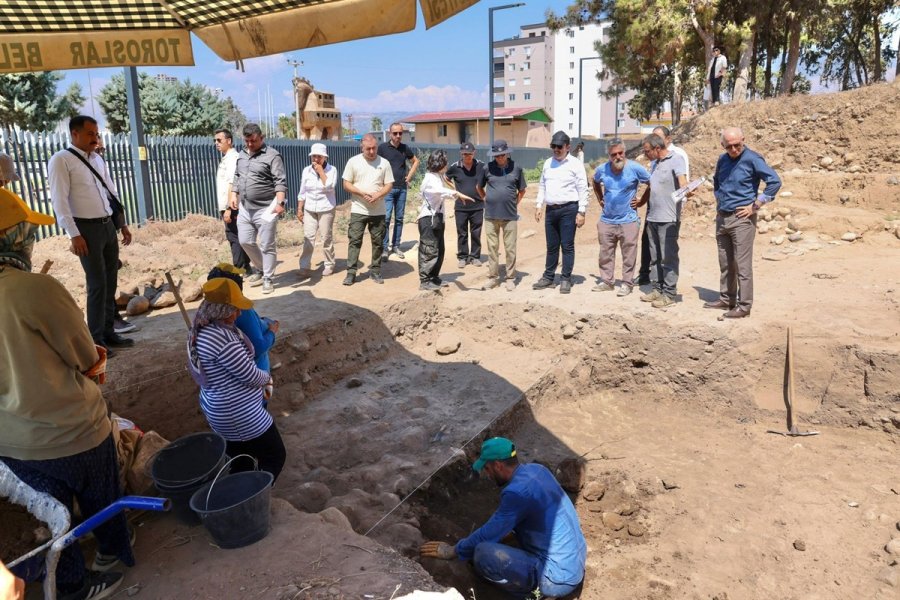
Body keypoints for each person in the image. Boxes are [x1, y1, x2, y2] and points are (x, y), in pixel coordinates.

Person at [0, 188, 132, 600]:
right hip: (74, 432)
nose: (31, 240)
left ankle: (70, 586)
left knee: (52, 524)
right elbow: (83, 355)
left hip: (13, 444)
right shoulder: (34, 289)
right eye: (26, 231)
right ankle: (112, 557)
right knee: (99, 498)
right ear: (12, 237)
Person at [420, 437, 587, 598]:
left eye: (487, 468)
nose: (487, 474)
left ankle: (531, 595)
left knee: (483, 553)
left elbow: (488, 534)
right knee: (498, 536)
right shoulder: (538, 470)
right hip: (575, 560)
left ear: (498, 465)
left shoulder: (517, 493)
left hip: (557, 578)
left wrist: (453, 550)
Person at [49, 115, 134, 353]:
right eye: (90, 134)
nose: (95, 139)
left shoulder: (97, 159)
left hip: (107, 226)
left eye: (96, 134)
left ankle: (109, 332)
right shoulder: (61, 160)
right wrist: (73, 234)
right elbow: (59, 201)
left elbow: (111, 193)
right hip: (85, 230)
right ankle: (96, 342)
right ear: (74, 134)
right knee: (97, 284)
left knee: (110, 281)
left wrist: (121, 224)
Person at [188, 278, 286, 480]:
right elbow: (251, 376)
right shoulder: (223, 340)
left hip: (220, 409)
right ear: (221, 310)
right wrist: (267, 377)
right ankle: (256, 494)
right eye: (234, 309)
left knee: (242, 461)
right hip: (239, 414)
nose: (239, 314)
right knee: (275, 455)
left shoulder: (200, 330)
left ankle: (242, 496)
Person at [705, 127, 781, 318]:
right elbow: (717, 181)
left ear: (743, 141)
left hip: (742, 219)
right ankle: (726, 298)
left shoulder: (753, 159)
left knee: (742, 264)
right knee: (725, 262)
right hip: (722, 217)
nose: (733, 149)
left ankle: (744, 305)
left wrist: (756, 205)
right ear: (723, 145)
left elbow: (775, 182)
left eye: (737, 145)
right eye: (729, 146)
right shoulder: (722, 160)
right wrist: (719, 199)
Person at [230, 123, 287, 295]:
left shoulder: (272, 156)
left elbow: (280, 181)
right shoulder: (241, 154)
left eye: (253, 141)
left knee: (267, 244)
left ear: (261, 138)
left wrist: (280, 203)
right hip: (245, 207)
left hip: (266, 208)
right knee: (245, 241)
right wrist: (234, 194)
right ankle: (262, 269)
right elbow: (237, 175)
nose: (249, 144)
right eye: (246, 141)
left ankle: (268, 278)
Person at [591, 139, 650, 297]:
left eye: (620, 153)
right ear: (609, 156)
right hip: (607, 220)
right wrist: (600, 199)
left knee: (629, 255)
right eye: (613, 154)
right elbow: (595, 181)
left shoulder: (635, 168)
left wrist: (642, 201)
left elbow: (652, 182)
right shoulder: (602, 169)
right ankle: (607, 281)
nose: (618, 157)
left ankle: (627, 283)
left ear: (624, 152)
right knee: (605, 253)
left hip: (628, 220)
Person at [533, 131, 589, 294]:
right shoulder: (547, 163)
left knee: (567, 245)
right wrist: (539, 205)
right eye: (553, 146)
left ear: (567, 147)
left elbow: (582, 188)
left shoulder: (575, 164)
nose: (556, 149)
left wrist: (582, 212)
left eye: (559, 146)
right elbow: (542, 185)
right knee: (551, 246)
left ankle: (565, 278)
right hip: (551, 210)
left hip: (569, 210)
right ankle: (548, 277)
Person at [637, 133, 688, 309]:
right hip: (653, 217)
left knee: (668, 258)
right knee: (654, 257)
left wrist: (687, 189)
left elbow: (683, 182)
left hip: (669, 219)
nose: (645, 155)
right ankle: (657, 289)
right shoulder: (654, 164)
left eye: (647, 151)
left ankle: (669, 293)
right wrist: (641, 202)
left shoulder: (677, 159)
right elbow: (652, 187)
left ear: (657, 148)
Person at [341, 134, 394, 286]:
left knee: (378, 242)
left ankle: (375, 271)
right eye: (368, 149)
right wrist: (362, 193)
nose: (371, 151)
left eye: (374, 148)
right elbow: (346, 184)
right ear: (362, 148)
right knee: (355, 241)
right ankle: (351, 273)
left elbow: (389, 184)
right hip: (359, 209)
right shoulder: (353, 162)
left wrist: (378, 194)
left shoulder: (384, 163)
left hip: (378, 211)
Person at [417, 150, 473, 291]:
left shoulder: (438, 176)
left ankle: (434, 277)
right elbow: (441, 191)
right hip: (428, 219)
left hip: (437, 218)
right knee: (429, 250)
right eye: (445, 162)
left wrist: (455, 191)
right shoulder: (430, 179)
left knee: (439, 249)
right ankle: (425, 280)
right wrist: (459, 194)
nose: (447, 164)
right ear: (439, 163)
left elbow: (445, 188)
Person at [206, 263, 278, 371]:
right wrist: (272, 332)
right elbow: (258, 347)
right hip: (255, 375)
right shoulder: (241, 311)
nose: (238, 312)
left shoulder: (209, 309)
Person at [476, 139, 526, 292]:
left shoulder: (516, 168)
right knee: (492, 247)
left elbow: (522, 190)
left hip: (510, 216)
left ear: (507, 153)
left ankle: (510, 278)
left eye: (502, 155)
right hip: (491, 215)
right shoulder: (487, 168)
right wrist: (486, 199)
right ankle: (493, 277)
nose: (500, 158)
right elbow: (479, 187)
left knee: (510, 248)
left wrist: (514, 204)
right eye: (497, 156)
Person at [377, 123, 419, 260]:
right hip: (388, 189)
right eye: (395, 133)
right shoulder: (382, 148)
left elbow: (416, 161)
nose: (398, 136)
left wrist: (409, 176)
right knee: (387, 218)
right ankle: (384, 248)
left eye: (400, 133)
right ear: (390, 134)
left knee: (399, 218)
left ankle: (396, 246)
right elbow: (376, 164)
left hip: (402, 188)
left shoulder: (404, 148)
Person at [297, 143, 337, 278]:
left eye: (319, 157)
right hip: (309, 208)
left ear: (324, 157)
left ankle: (329, 264)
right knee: (308, 238)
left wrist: (321, 172)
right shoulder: (306, 171)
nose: (315, 159)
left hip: (326, 208)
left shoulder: (332, 170)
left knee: (326, 238)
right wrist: (300, 208)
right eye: (314, 156)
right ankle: (304, 266)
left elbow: (330, 187)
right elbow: (302, 191)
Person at [215, 128, 252, 274]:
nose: (216, 143)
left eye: (219, 140)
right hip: (230, 204)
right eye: (215, 141)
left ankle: (239, 268)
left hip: (231, 204)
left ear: (229, 141)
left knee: (233, 236)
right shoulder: (227, 158)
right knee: (238, 235)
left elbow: (232, 183)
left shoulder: (232, 158)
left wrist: (228, 208)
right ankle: (246, 266)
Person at [446, 142, 485, 269]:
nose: (467, 156)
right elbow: (446, 178)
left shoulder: (481, 166)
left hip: (478, 206)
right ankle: (462, 257)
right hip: (461, 207)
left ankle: (475, 257)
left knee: (476, 232)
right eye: (464, 154)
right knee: (462, 232)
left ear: (474, 153)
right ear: (460, 154)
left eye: (469, 154)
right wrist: (455, 191)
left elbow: (489, 178)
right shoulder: (454, 167)